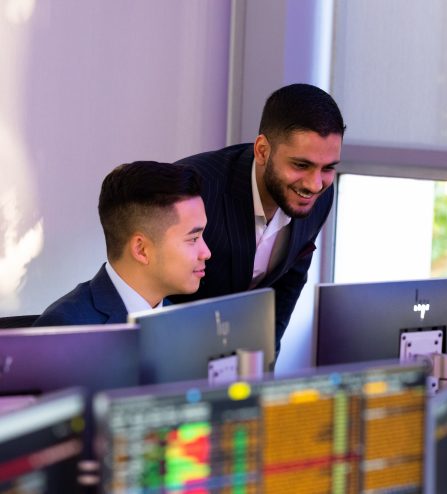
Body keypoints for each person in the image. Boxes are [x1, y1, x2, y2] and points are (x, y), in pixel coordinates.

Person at [173, 83, 345, 351]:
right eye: (301, 165)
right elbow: (154, 286)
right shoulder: (193, 188)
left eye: (328, 168)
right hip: (177, 351)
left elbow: (289, 281)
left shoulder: (322, 193)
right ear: (263, 150)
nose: (314, 184)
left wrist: (265, 361)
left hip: (242, 359)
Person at [33, 162, 211, 326]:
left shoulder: (183, 321)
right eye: (193, 239)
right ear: (141, 250)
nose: (206, 252)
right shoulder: (66, 328)